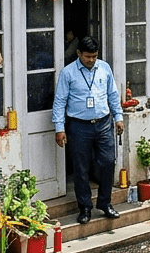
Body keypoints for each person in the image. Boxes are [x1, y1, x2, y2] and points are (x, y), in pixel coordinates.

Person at [52, 36, 124, 225]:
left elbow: (113, 94)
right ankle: (84, 207)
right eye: (87, 57)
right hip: (78, 125)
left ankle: (105, 202)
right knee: (81, 167)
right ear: (78, 54)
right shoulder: (68, 73)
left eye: (94, 56)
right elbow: (60, 101)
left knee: (108, 162)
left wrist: (119, 117)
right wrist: (59, 128)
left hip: (103, 123)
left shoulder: (105, 68)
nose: (91, 60)